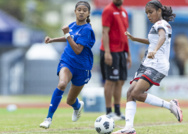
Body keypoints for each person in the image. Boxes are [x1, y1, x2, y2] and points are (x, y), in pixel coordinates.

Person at [113, 0, 183, 133]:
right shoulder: (158, 25)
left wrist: (155, 50)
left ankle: (170, 105)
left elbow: (161, 38)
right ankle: (129, 128)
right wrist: (134, 39)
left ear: (159, 11)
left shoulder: (161, 24)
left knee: (136, 93)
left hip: (157, 65)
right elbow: (152, 40)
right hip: (147, 64)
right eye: (146, 13)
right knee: (130, 93)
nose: (148, 15)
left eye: (151, 12)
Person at [39, 1, 95, 129]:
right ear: (75, 11)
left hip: (82, 67)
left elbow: (78, 50)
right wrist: (52, 40)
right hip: (67, 61)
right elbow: (68, 38)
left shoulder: (87, 30)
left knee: (70, 100)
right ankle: (48, 118)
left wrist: (67, 33)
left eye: (84, 10)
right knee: (62, 84)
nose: (81, 12)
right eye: (79, 9)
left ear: (88, 13)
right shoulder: (72, 26)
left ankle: (77, 106)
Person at [100, 0, 132, 121]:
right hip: (111, 51)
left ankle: (117, 111)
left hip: (121, 52)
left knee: (120, 81)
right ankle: (109, 111)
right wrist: (107, 52)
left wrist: (128, 53)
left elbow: (125, 34)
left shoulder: (124, 12)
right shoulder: (108, 10)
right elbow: (105, 32)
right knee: (110, 81)